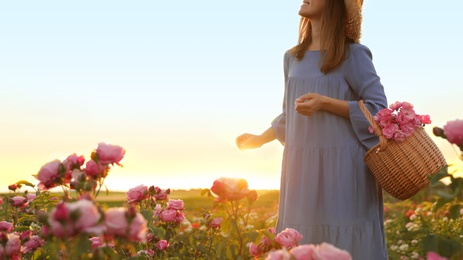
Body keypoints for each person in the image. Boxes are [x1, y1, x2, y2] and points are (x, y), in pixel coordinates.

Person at [236, 0, 388, 259]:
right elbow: (289, 114)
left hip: (345, 170)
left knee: (346, 242)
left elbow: (378, 110)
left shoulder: (354, 54)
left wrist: (326, 103)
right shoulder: (292, 57)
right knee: (300, 239)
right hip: (301, 171)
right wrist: (260, 139)